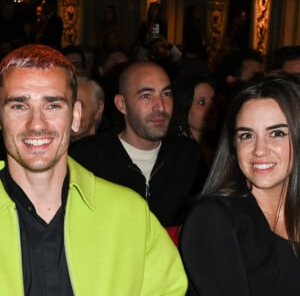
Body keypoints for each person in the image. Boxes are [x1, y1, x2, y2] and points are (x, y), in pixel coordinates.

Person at [0, 44, 187, 295]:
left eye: (53, 105)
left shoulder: (129, 214)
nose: (36, 124)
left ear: (76, 116)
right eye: (19, 106)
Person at [180, 72, 300, 296]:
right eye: (247, 135)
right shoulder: (213, 218)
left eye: (276, 133)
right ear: (233, 145)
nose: (260, 150)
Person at [69, 61, 207, 230]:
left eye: (166, 94)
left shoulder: (188, 156)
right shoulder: (87, 158)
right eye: (146, 96)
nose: (160, 106)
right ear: (122, 104)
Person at [169, 75, 221, 168]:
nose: (212, 108)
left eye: (214, 101)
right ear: (184, 107)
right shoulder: (173, 154)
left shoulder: (220, 146)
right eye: (202, 102)